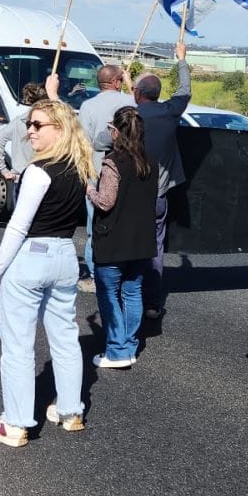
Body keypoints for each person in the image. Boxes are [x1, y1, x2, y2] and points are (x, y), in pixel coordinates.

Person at [0, 91, 92, 446]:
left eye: (38, 125)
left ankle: (15, 423)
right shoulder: (81, 167)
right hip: (65, 255)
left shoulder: (38, 172)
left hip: (32, 256)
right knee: (65, 336)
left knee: (17, 345)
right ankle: (71, 411)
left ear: (59, 129)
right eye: (29, 125)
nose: (30, 132)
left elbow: (18, 225)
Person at [86, 106, 160, 368]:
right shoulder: (151, 161)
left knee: (108, 295)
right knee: (132, 292)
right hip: (141, 242)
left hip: (113, 240)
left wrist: (89, 190)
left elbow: (106, 202)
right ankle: (129, 345)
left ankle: (116, 350)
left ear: (116, 132)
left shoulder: (112, 162)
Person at [132, 41, 191, 316]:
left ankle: (129, 298)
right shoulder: (169, 113)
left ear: (138, 93)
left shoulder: (129, 117)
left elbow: (100, 140)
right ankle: (152, 302)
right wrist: (181, 60)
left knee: (129, 247)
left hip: (131, 196)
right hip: (158, 196)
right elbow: (184, 91)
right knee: (155, 248)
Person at [75, 62, 135, 290]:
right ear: (117, 81)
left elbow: (83, 142)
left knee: (94, 227)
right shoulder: (129, 102)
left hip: (96, 172)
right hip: (125, 171)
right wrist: (131, 86)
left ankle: (93, 274)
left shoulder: (88, 106)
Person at [0, 82, 47, 209]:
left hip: (20, 178)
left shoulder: (19, 121)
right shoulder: (49, 125)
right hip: (41, 179)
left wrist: (2, 169)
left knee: (21, 223)